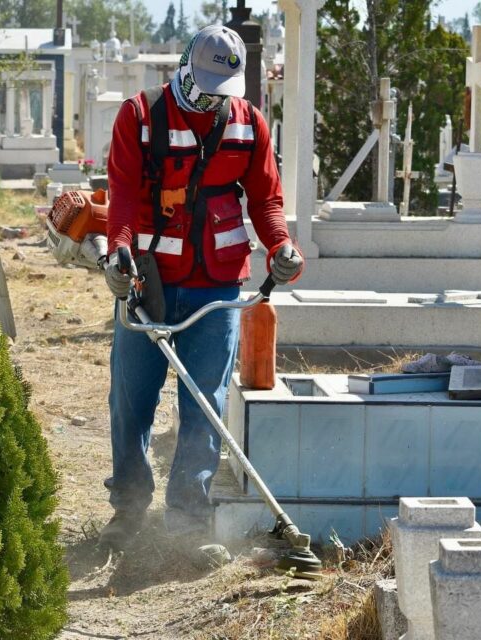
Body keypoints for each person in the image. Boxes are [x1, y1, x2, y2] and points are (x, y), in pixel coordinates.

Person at [100, 25, 304, 548]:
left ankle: (188, 521)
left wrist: (280, 246)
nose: (211, 99)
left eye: (221, 91)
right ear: (185, 68)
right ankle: (128, 509)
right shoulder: (140, 116)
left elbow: (265, 199)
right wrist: (118, 250)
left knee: (204, 405)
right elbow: (123, 193)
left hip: (217, 286)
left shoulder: (249, 124)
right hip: (147, 284)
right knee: (131, 398)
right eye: (203, 87)